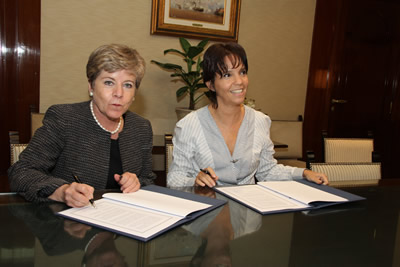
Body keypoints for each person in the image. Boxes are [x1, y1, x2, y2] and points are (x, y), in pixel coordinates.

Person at [8, 44, 155, 207]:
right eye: (108, 82)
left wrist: (137, 182)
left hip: (124, 221)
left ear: (134, 93)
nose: (119, 93)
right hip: (69, 224)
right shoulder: (64, 119)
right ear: (91, 86)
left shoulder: (141, 127)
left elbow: (147, 179)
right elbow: (21, 172)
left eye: (127, 85)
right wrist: (62, 191)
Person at [167, 42, 328, 187]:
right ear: (211, 85)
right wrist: (194, 181)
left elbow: (267, 171)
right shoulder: (189, 125)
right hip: (209, 210)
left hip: (248, 214)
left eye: (242, 72)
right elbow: (174, 179)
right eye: (227, 75)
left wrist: (303, 173)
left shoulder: (260, 121)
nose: (239, 81)